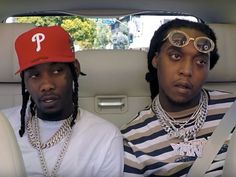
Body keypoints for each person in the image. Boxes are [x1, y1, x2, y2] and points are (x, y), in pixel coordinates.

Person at [1, 26, 124, 177]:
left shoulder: (105, 137)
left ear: (75, 70)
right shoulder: (3, 126)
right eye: (34, 75)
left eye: (57, 70)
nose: (46, 85)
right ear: (24, 82)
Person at [121, 19, 236, 176]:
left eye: (201, 61)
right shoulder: (132, 140)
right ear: (156, 59)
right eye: (175, 56)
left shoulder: (233, 109)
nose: (187, 70)